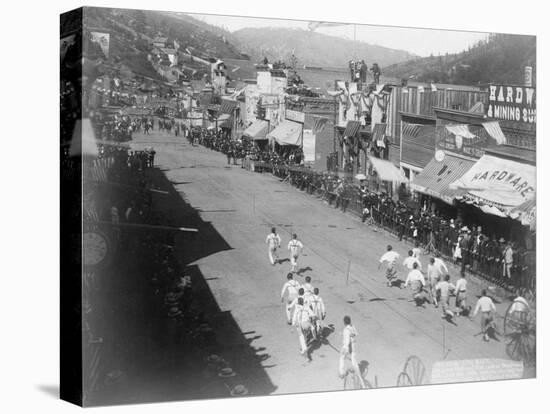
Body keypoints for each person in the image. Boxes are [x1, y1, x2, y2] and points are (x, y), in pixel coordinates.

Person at [338, 316, 365, 388]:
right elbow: (356, 333)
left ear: (344, 322)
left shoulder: (346, 330)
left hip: (347, 347)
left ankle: (341, 373)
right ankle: (359, 375)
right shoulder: (352, 326)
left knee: (342, 358)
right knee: (354, 361)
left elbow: (347, 341)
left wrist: (344, 349)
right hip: (353, 346)